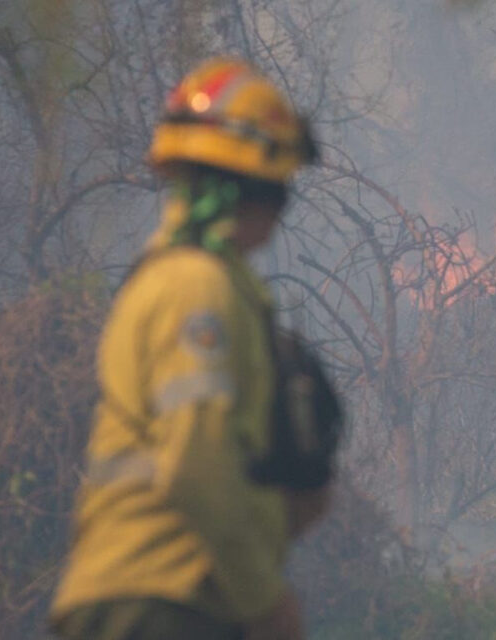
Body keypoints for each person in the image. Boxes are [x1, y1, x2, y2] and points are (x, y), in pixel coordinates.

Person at [49, 57, 339, 640]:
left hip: (161, 595)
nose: (281, 210)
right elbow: (196, 460)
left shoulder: (184, 280)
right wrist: (265, 601)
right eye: (278, 187)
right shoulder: (194, 287)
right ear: (248, 187)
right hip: (161, 599)